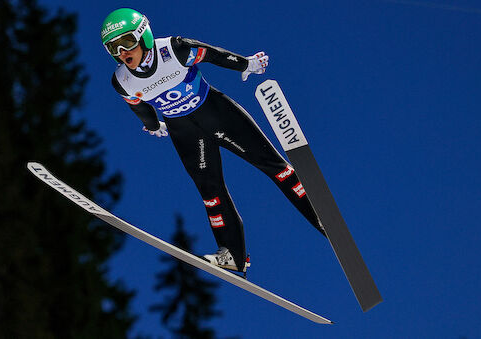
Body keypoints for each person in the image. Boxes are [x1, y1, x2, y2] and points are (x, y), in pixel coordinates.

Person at [101, 8, 325, 275]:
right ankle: (233, 254)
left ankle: (322, 218)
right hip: (184, 132)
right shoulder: (121, 81)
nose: (122, 52)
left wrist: (247, 64)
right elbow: (139, 106)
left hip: (217, 114)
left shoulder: (175, 50)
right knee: (211, 194)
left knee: (274, 167)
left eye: (126, 42)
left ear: (143, 36)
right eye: (113, 48)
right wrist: (152, 126)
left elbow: (215, 54)